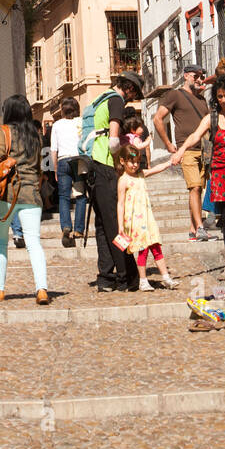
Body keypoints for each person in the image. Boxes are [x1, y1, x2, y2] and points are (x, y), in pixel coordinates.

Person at [172, 74, 225, 279]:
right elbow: (195, 136)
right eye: (220, 96)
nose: (224, 100)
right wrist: (181, 150)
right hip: (221, 172)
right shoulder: (212, 118)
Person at [0, 94, 50, 304]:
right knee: (34, 243)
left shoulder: (4, 131)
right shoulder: (36, 136)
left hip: (6, 194)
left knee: (1, 242)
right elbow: (39, 167)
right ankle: (41, 289)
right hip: (31, 193)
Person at [89, 71, 144, 293]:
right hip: (106, 165)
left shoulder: (103, 97)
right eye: (135, 92)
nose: (133, 97)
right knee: (114, 222)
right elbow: (112, 140)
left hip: (95, 163)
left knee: (102, 224)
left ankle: (105, 277)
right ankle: (125, 277)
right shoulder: (116, 101)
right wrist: (120, 161)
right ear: (129, 87)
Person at [153, 63, 209, 241]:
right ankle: (200, 227)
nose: (200, 79)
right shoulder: (175, 94)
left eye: (202, 76)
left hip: (205, 149)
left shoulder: (202, 100)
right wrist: (168, 143)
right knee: (194, 187)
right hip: (187, 148)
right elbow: (158, 118)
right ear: (186, 76)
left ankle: (193, 230)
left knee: (198, 190)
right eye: (196, 75)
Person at [115, 145, 178, 290]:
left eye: (137, 162)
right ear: (123, 161)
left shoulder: (141, 174)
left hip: (148, 220)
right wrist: (120, 226)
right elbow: (120, 203)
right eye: (132, 162)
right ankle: (143, 280)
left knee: (156, 247)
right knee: (143, 249)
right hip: (135, 221)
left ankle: (166, 277)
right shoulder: (123, 180)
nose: (135, 165)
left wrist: (170, 162)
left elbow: (156, 169)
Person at [50, 97, 84, 247]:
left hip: (63, 160)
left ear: (63, 110)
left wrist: (55, 169)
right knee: (80, 196)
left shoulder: (56, 125)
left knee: (63, 197)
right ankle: (78, 229)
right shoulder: (80, 122)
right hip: (78, 160)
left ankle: (66, 226)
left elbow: (53, 149)